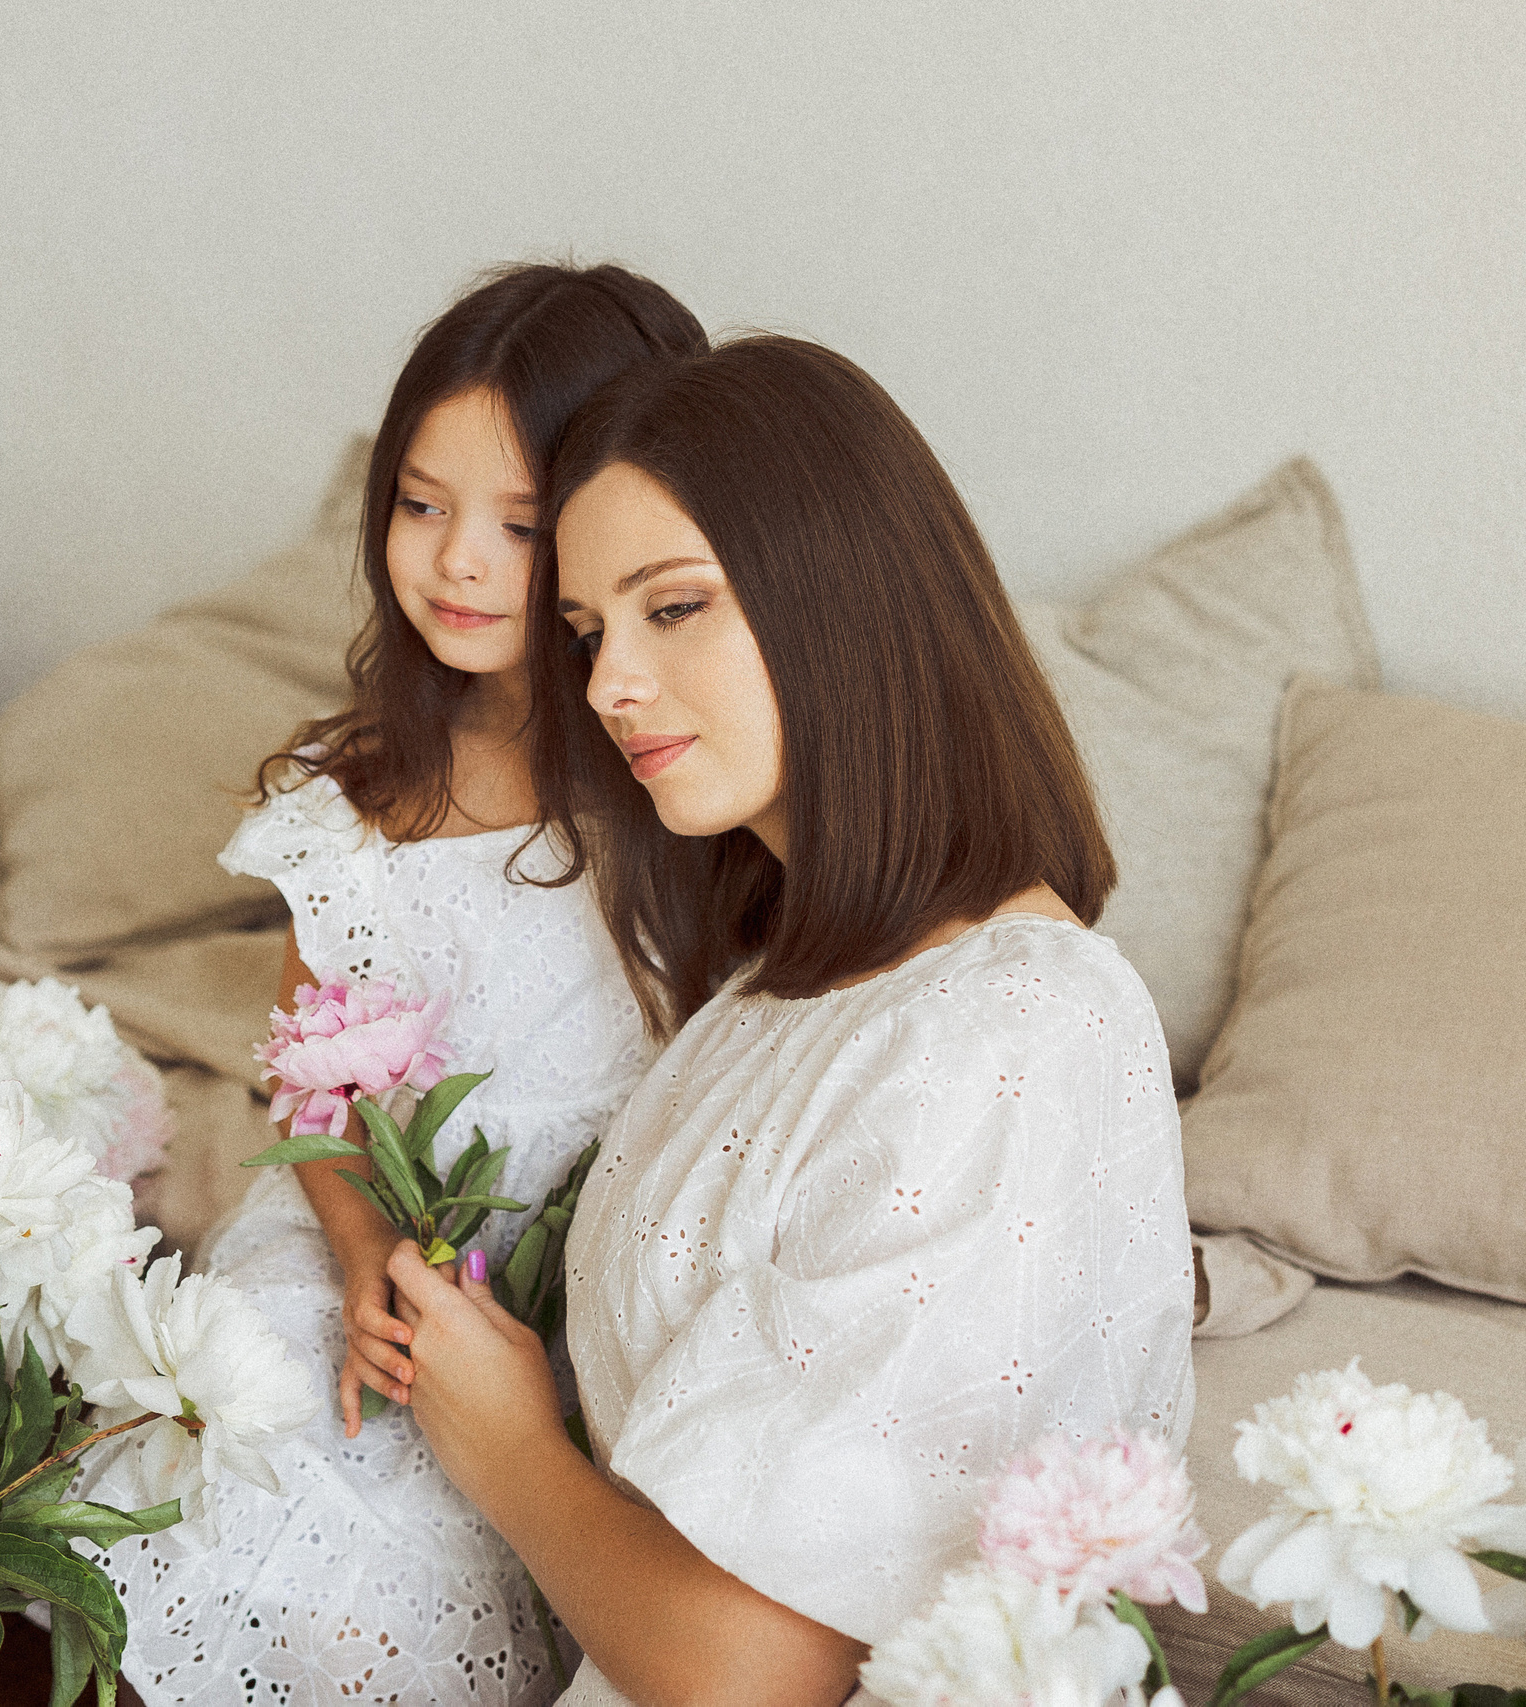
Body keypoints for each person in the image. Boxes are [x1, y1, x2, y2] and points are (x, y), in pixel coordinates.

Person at [381, 337, 1197, 1707]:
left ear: (850, 599)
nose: (606, 686)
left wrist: (514, 1451)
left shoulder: (1012, 1029)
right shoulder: (772, 993)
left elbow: (758, 1677)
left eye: (674, 608)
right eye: (586, 632)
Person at [84, 263, 707, 1705]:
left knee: (441, 1554)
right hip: (359, 1236)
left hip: (565, 1282)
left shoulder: (677, 799)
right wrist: (365, 1258)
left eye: (522, 524)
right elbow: (316, 1075)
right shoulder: (348, 798)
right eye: (421, 506)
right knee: (252, 1447)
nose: (458, 564)